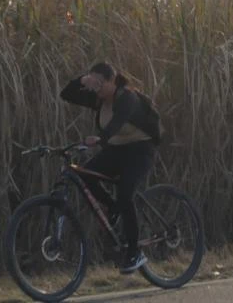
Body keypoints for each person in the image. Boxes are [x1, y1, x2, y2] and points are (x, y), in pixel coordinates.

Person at [59, 61, 162, 274]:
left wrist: (100, 138)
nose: (97, 89)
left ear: (112, 81)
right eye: (93, 84)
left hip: (140, 150)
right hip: (116, 150)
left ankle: (135, 253)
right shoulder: (99, 99)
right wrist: (81, 80)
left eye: (100, 84)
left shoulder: (127, 97)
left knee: (125, 194)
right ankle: (113, 208)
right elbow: (66, 95)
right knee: (84, 174)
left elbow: (118, 121)